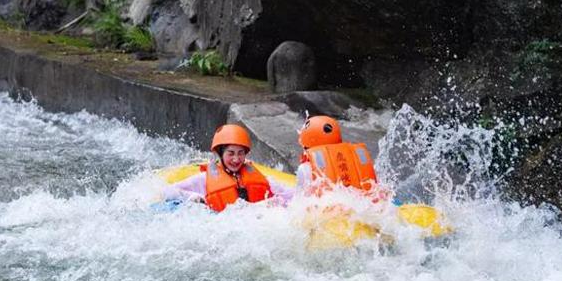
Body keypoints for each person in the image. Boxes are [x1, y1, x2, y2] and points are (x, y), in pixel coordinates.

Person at [163, 124, 294, 212]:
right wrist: (193, 197)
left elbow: (290, 195)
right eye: (230, 153)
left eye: (240, 153)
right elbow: (169, 191)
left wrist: (277, 202)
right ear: (220, 154)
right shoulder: (204, 180)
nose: (236, 159)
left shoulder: (260, 178)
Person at [296, 115, 391, 202]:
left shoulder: (305, 169)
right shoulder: (357, 156)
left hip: (330, 215)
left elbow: (300, 202)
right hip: (366, 209)